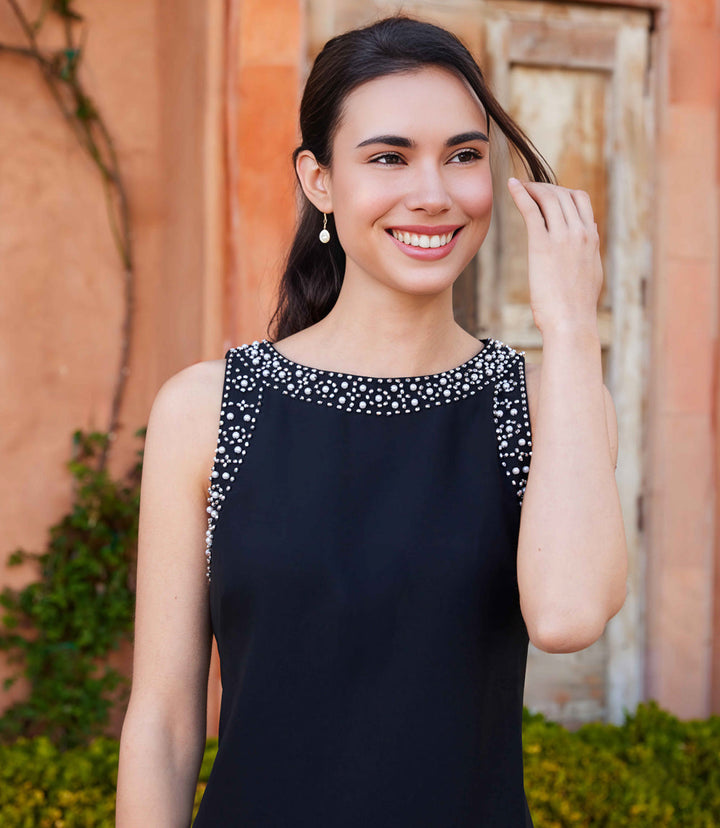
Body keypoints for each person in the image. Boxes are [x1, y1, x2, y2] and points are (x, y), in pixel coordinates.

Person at [115, 15, 628, 827]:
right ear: (318, 181)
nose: (434, 192)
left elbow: (567, 618)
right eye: (389, 157)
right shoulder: (207, 409)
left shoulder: (546, 401)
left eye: (463, 155)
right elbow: (166, 723)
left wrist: (567, 326)